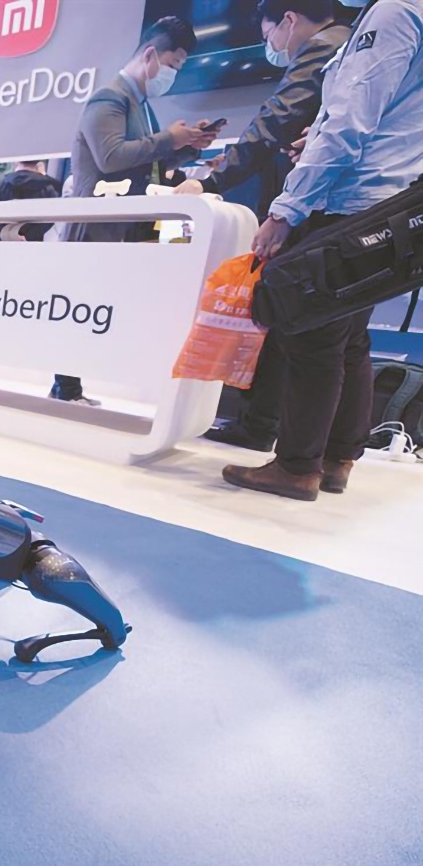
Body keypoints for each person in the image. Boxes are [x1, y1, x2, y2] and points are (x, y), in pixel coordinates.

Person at [223, 0, 423, 501]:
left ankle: (296, 467)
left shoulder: (392, 13)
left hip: (349, 201)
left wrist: (286, 209)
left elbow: (349, 122)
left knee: (312, 335)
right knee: (350, 338)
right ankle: (337, 461)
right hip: (387, 205)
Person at [176, 0, 350, 452]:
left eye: (269, 33)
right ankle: (329, 454)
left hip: (310, 208)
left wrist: (211, 180)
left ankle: (270, 437)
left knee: (293, 323)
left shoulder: (323, 47)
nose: (272, 45)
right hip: (337, 210)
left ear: (288, 21)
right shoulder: (347, 45)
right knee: (345, 338)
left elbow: (274, 121)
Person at [57, 16, 222, 405]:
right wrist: (169, 139)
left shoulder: (139, 105)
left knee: (102, 304)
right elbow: (111, 157)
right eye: (173, 64)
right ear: (150, 55)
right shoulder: (109, 99)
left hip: (124, 225)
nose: (173, 74)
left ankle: (73, 386)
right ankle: (66, 387)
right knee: (82, 306)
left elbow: (144, 163)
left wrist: (187, 146)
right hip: (97, 226)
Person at [0, 159, 62, 242]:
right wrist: (28, 236)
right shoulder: (50, 189)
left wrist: (7, 234)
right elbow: (49, 222)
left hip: (3, 243)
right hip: (35, 245)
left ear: (16, 161)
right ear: (39, 162)